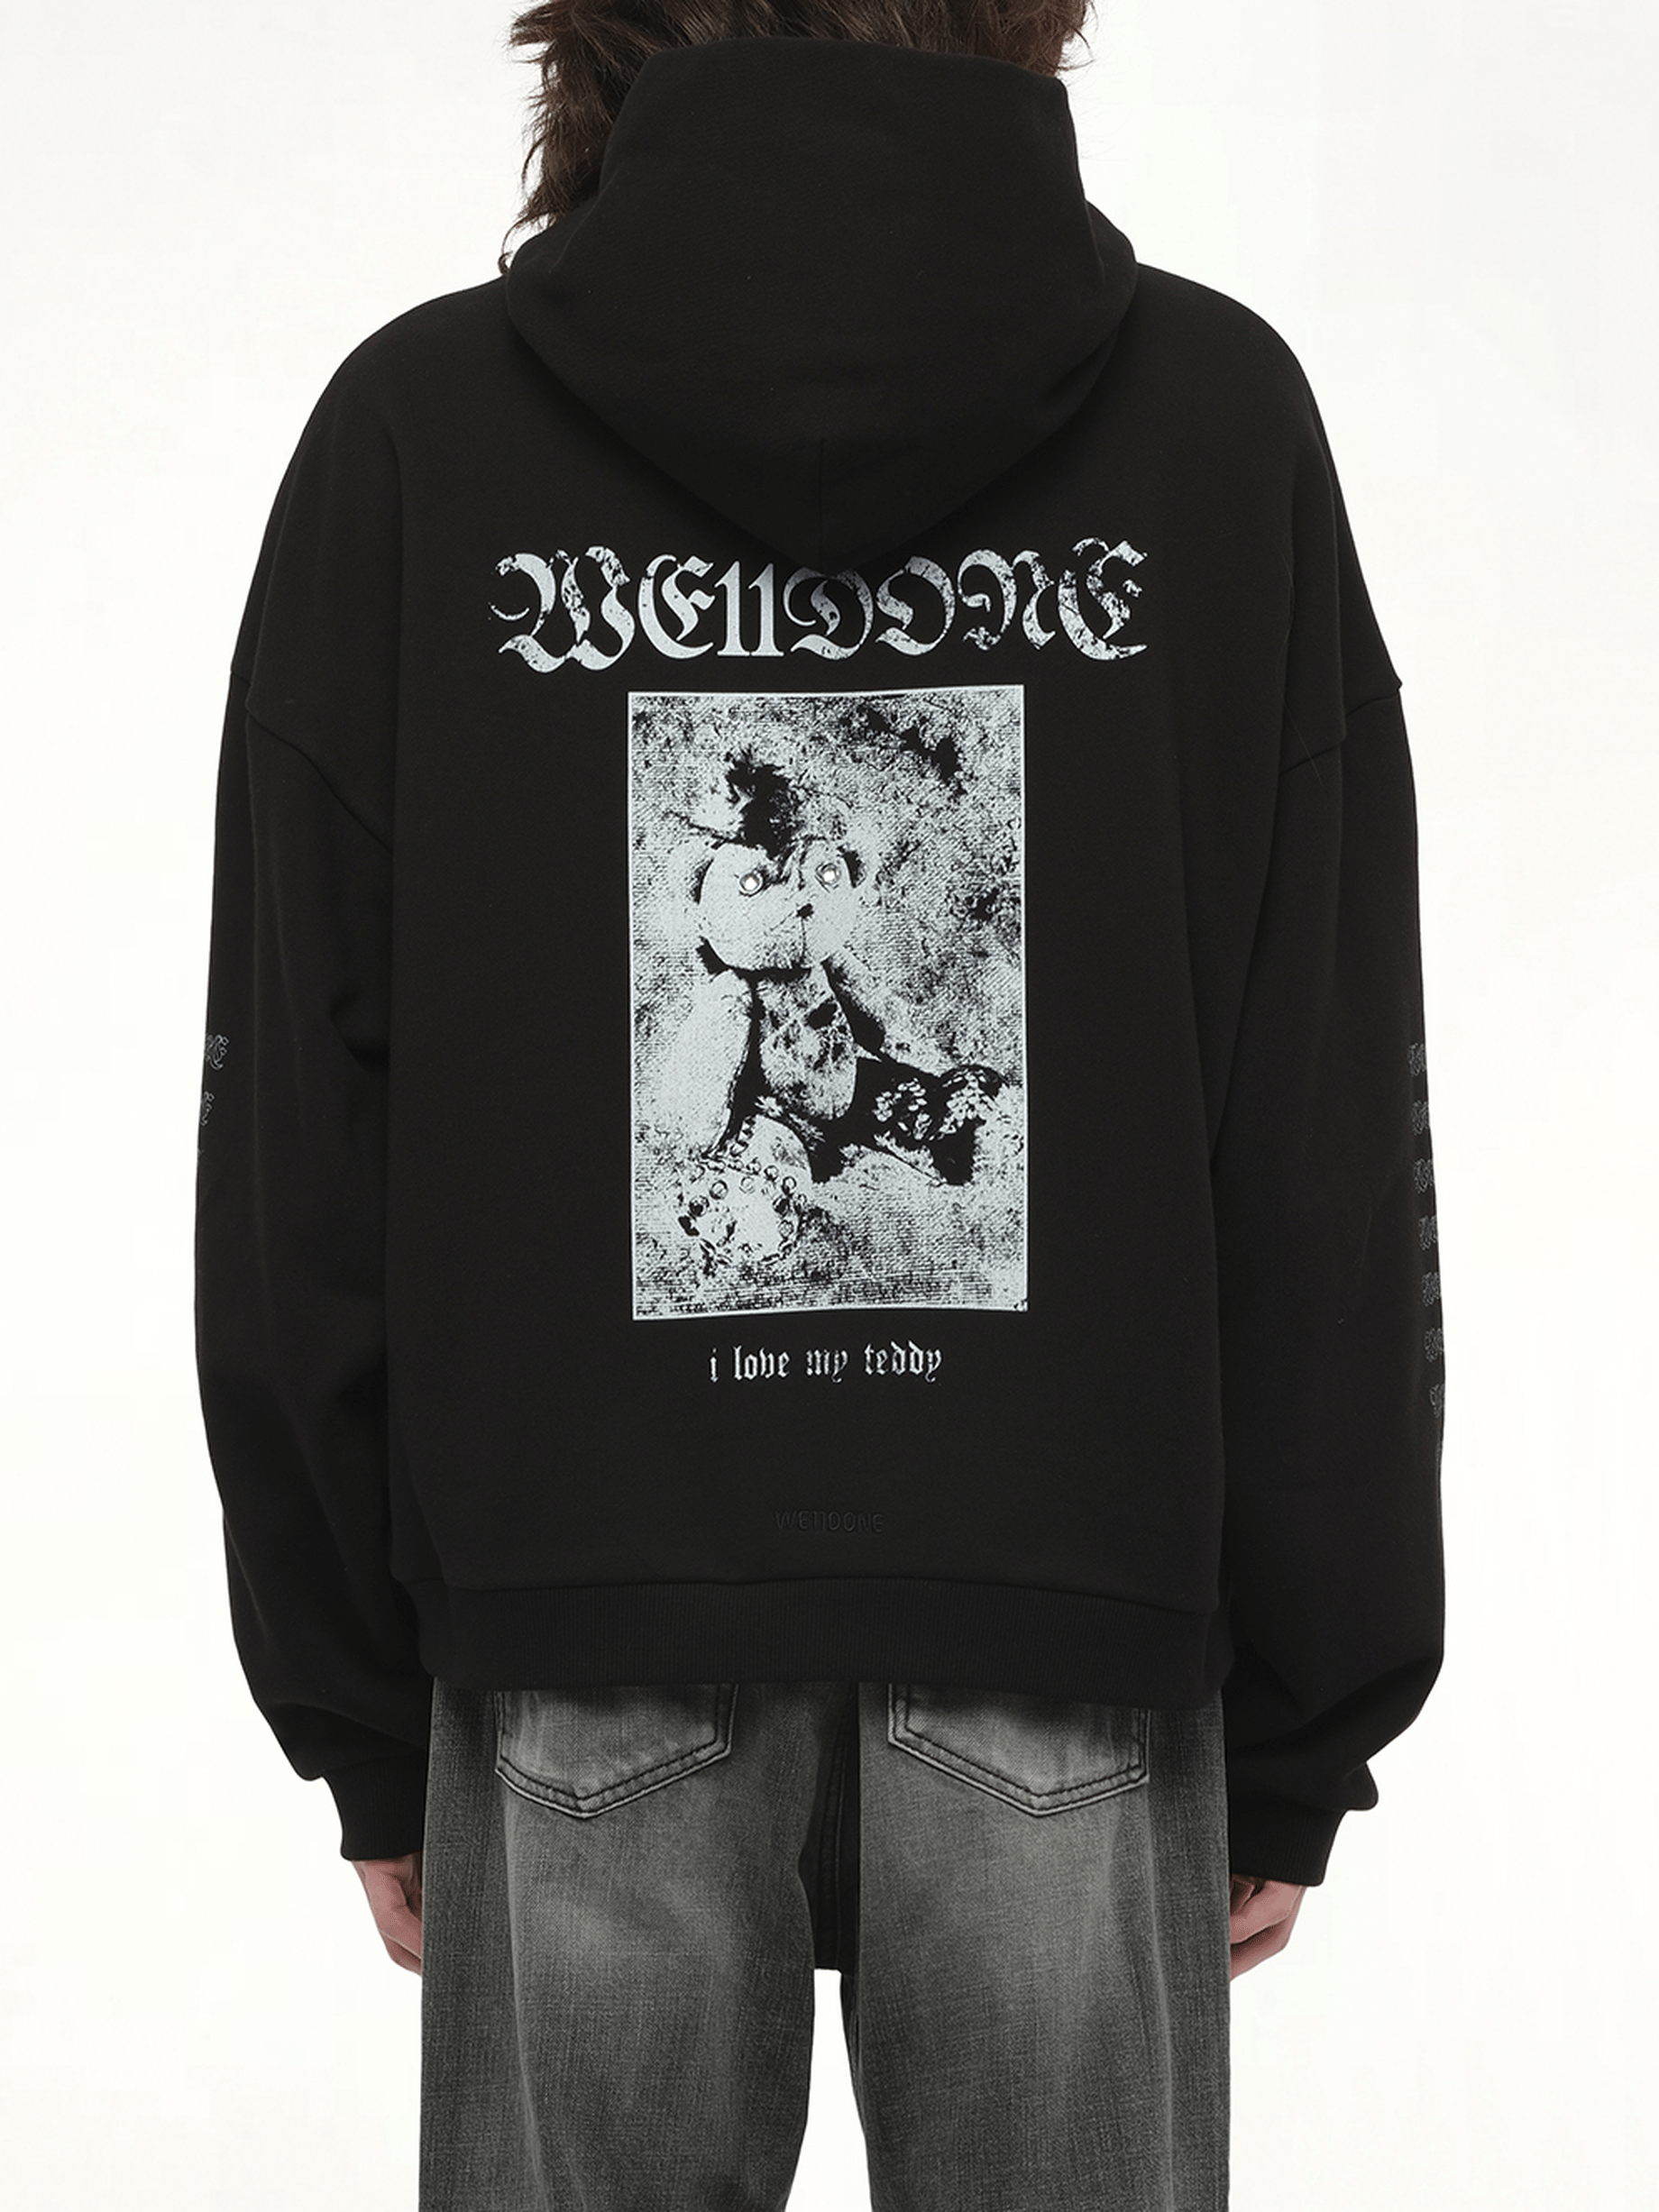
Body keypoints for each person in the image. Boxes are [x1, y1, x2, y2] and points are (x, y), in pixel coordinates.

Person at [194, 4, 1446, 2204]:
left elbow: (301, 1130)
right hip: (1067, 1616)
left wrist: (363, 1705)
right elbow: (1318, 1122)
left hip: (577, 1626)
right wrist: (1302, 1710)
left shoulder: (416, 438)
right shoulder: (1213, 424)